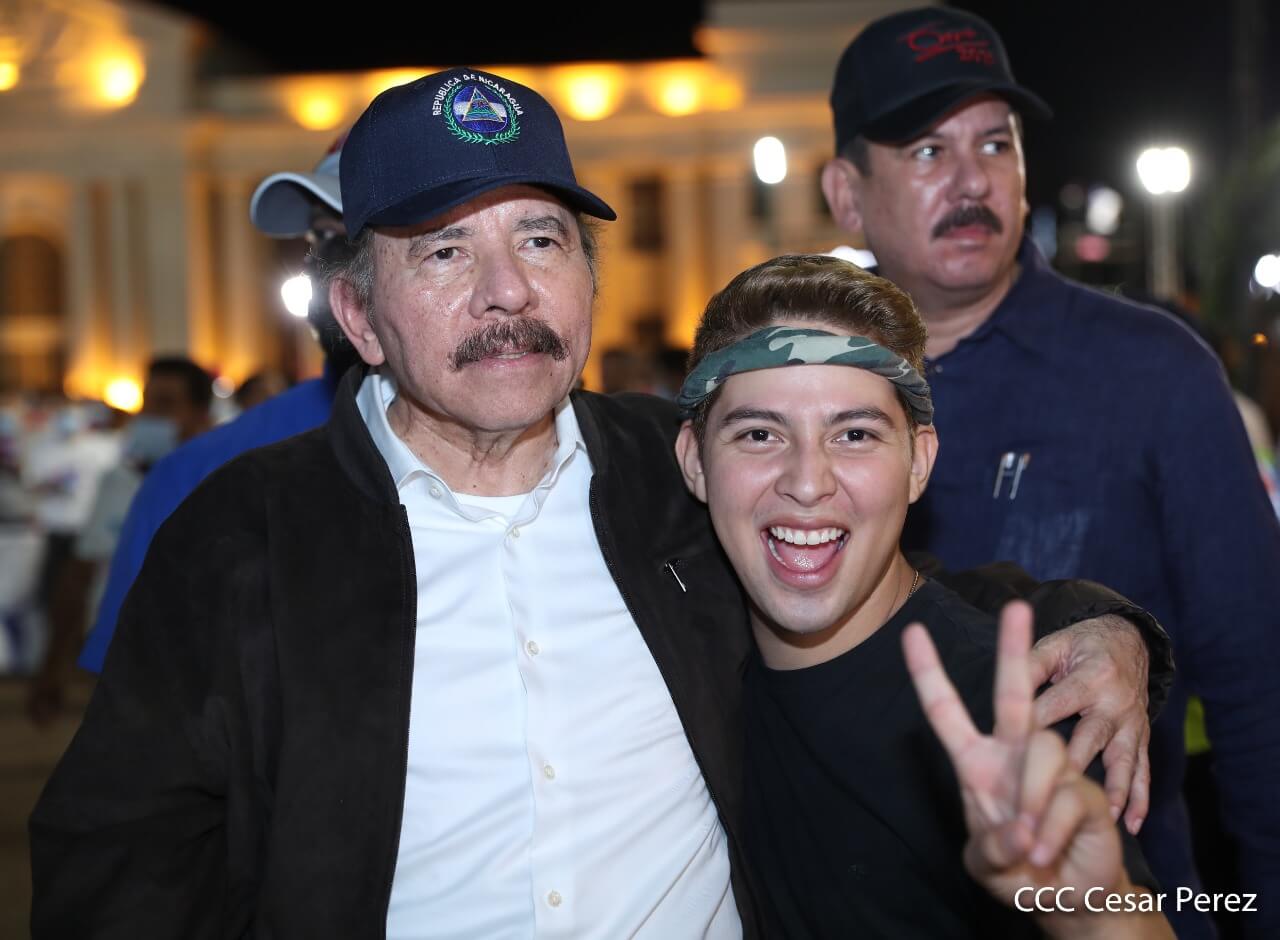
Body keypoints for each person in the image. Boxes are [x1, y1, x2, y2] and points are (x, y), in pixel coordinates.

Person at [32, 67, 1165, 937]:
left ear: (588, 281)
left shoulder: (678, 475)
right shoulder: (242, 538)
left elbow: (875, 576)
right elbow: (119, 863)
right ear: (361, 317)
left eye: (541, 239)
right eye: (444, 252)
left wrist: (1095, 624)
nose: (508, 291)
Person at [820, 8, 1280, 935]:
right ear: (847, 195)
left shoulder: (1154, 371)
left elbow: (1259, 688)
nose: (971, 179)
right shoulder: (805, 399)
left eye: (996, 143)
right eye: (927, 150)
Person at [673, 254, 1171, 937]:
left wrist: (1090, 911)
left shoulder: (1006, 708)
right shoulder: (682, 653)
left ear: (919, 462)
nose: (808, 482)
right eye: (760, 434)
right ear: (695, 462)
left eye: (855, 435)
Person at [75, 134, 361, 673]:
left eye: (362, 234)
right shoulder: (198, 475)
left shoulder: (531, 461)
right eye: (323, 236)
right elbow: (139, 698)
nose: (336, 265)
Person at [26, 357, 211, 723]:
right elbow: (80, 573)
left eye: (165, 403)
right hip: (123, 668)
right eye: (147, 402)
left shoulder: (224, 480)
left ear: (200, 415)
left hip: (203, 670)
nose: (150, 415)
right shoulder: (120, 483)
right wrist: (52, 667)